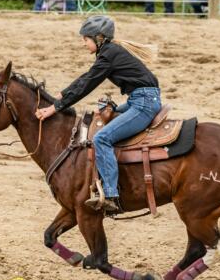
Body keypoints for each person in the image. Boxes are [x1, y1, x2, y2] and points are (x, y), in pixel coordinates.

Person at [35, 15, 162, 213]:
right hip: (139, 99)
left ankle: (110, 194)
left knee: (102, 138)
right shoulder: (110, 52)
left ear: (99, 38)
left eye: (85, 39)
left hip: (143, 103)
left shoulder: (109, 55)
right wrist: (57, 96)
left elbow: (87, 83)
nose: (83, 43)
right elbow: (85, 79)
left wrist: (55, 107)